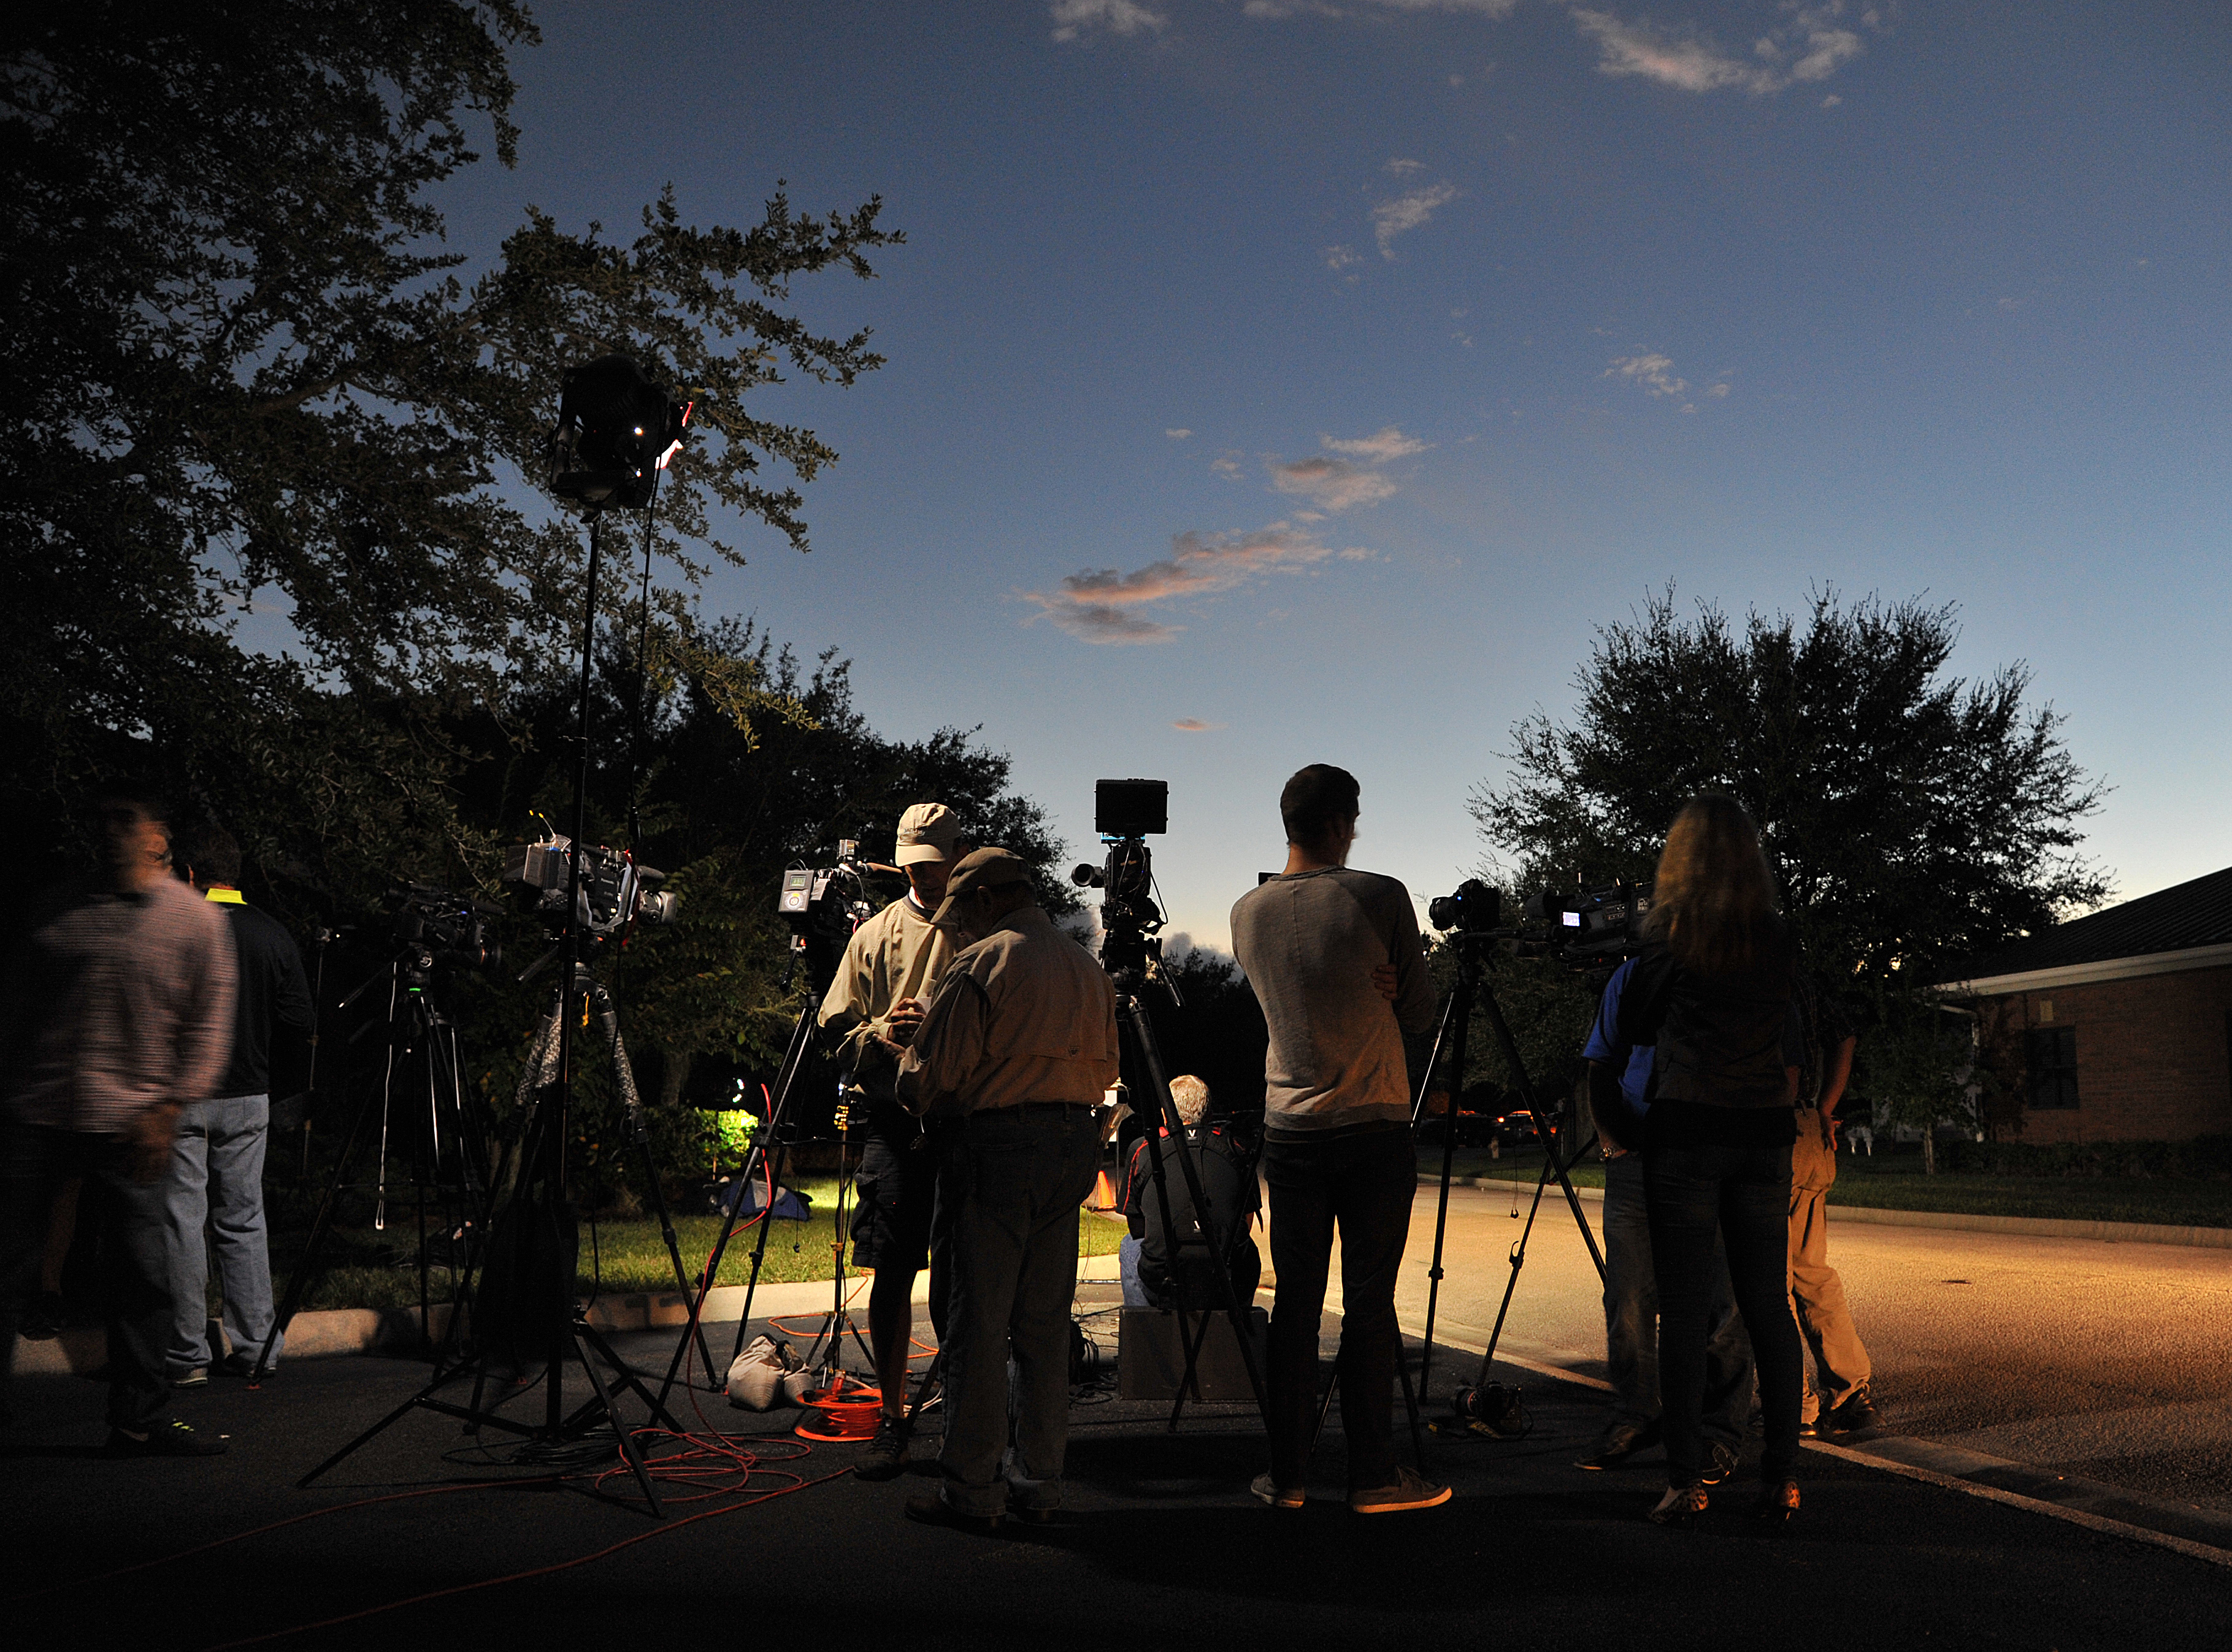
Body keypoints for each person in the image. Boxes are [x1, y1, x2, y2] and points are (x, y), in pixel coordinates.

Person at [1230, 764, 1449, 1515]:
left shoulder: (1246, 911)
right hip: (1371, 1122)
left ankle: (1286, 1474)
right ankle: (1374, 1476)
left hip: (1290, 1127)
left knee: (1297, 1305)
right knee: (1368, 1304)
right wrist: (1391, 987)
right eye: (1353, 821)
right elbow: (1419, 1013)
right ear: (1336, 823)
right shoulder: (1379, 896)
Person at [0, 793, 236, 1454]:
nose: (110, 835)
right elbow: (17, 1007)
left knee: (142, 1273)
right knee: (9, 1265)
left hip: (133, 1120)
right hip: (42, 1111)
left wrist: (170, 1106)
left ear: (158, 837)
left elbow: (210, 1023)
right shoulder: (60, 908)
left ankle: (139, 1417)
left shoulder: (194, 921)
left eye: (126, 823)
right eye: (102, 822)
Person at [892, 847, 1118, 1532]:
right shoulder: (1086, 967)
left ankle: (972, 1488)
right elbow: (1108, 1067)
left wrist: (905, 1052)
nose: (957, 930)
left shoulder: (983, 963)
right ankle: (1040, 1481)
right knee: (1044, 1327)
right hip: (1072, 1144)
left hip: (997, 1148)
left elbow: (929, 1079)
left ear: (986, 901)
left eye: (961, 916)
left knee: (979, 1325)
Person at [1613, 795, 1806, 1525]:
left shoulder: (1671, 936)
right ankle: (1782, 1478)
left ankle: (1685, 1480)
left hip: (1689, 1129)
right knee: (1768, 1306)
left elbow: (1634, 1026)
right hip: (1764, 1133)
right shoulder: (1779, 938)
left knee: (1687, 1310)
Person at [816, 802, 973, 1480]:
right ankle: (891, 1414)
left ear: (957, 859)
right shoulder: (875, 935)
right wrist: (882, 1033)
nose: (923, 875)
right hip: (893, 1121)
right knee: (892, 1268)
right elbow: (834, 1026)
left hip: (964, 1119)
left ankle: (966, 1416)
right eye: (913, 864)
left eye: (934, 863)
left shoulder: (981, 927)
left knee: (963, 1274)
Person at [1580, 956, 1755, 1478]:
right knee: (1628, 1295)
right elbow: (1600, 1062)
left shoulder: (1743, 967)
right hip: (1638, 1157)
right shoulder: (1634, 976)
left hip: (1715, 1154)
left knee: (1724, 1300)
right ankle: (1637, 1412)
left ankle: (1718, 1432)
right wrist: (1612, 1141)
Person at [161, 824, 312, 1385]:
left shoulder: (177, 928)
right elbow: (300, 1019)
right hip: (249, 1095)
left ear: (190, 874)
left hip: (183, 1097)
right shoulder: (272, 933)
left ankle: (187, 1355)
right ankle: (257, 1348)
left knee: (183, 1223)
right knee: (244, 1221)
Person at [1785, 970, 1878, 1439]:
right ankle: (1850, 1392)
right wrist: (1823, 1108)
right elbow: (1844, 1034)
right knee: (1810, 1273)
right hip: (1805, 1131)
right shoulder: (1798, 975)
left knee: (1766, 1282)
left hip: (1766, 1132)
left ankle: (1794, 1406)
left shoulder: (1733, 969)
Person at [1118, 1074, 1260, 1310]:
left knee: (1128, 1246)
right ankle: (1237, 1324)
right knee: (1245, 1253)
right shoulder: (1237, 1148)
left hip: (1165, 1277)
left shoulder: (1143, 1149)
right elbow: (1245, 1222)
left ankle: (1144, 1325)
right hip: (1227, 1277)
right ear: (1209, 1114)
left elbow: (1137, 1229)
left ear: (1166, 1115)